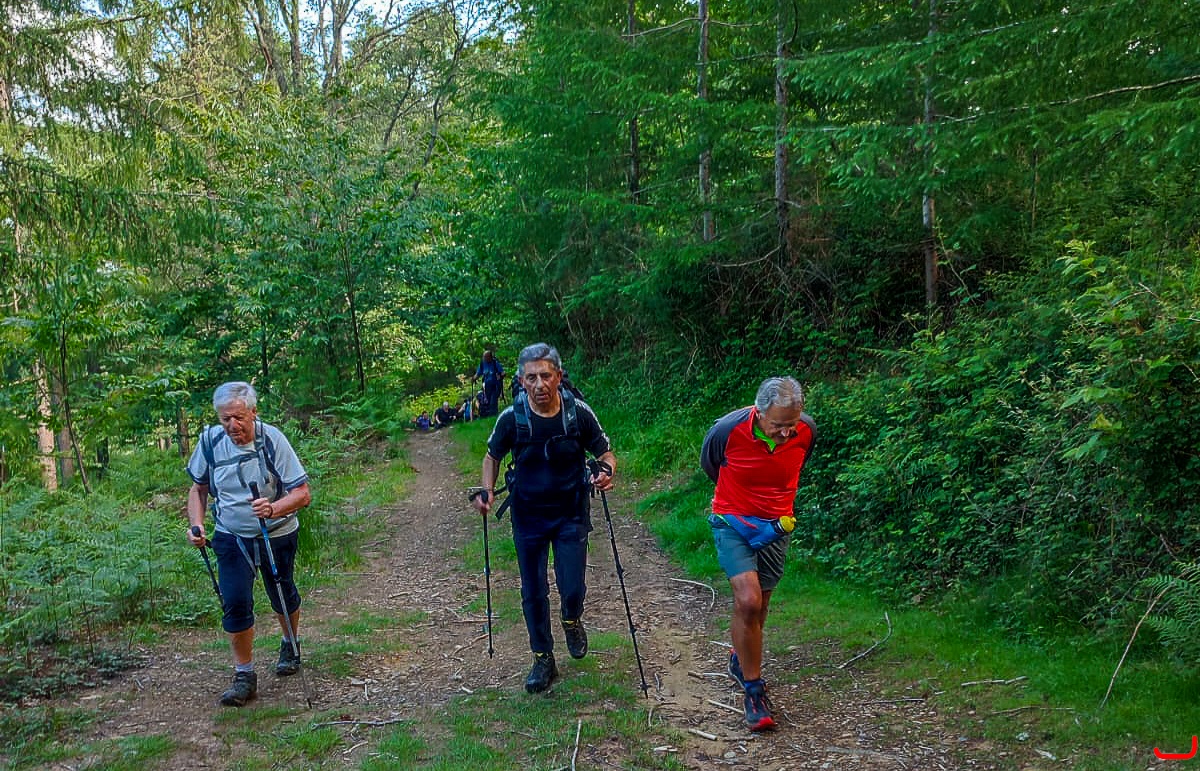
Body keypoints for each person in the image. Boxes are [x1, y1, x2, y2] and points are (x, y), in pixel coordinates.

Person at [471, 343, 616, 693]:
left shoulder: (578, 412)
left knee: (572, 586)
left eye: (546, 376)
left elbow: (605, 452)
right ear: (521, 381)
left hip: (571, 513)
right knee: (533, 590)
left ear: (559, 377)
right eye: (532, 377)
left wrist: (606, 471)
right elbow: (492, 456)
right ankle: (542, 658)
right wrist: (487, 490)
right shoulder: (512, 417)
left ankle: (571, 619)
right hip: (528, 515)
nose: (539, 384)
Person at [185, 381, 312, 707]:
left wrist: (273, 508)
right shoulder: (210, 442)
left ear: (254, 413)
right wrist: (197, 524)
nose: (232, 425)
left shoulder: (272, 440)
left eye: (239, 418)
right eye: (225, 418)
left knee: (281, 591)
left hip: (277, 530)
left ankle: (290, 643)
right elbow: (198, 489)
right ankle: (244, 675)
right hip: (231, 535)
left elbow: (302, 494)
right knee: (235, 600)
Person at [701, 377, 816, 731]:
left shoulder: (807, 431)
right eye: (779, 425)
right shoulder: (727, 430)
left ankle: (741, 658)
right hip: (732, 520)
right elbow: (711, 465)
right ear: (759, 412)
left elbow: (798, 461)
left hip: (777, 525)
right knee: (748, 600)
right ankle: (754, 691)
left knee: (760, 604)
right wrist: (739, 499)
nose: (786, 432)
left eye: (792, 424)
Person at [474, 350, 505, 417]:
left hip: (495, 385)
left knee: (493, 401)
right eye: (484, 357)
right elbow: (478, 373)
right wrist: (473, 378)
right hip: (487, 386)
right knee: (488, 400)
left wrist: (501, 375)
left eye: (485, 357)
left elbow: (502, 372)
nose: (484, 358)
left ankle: (494, 415)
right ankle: (491, 415)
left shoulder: (495, 363)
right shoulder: (482, 364)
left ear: (490, 357)